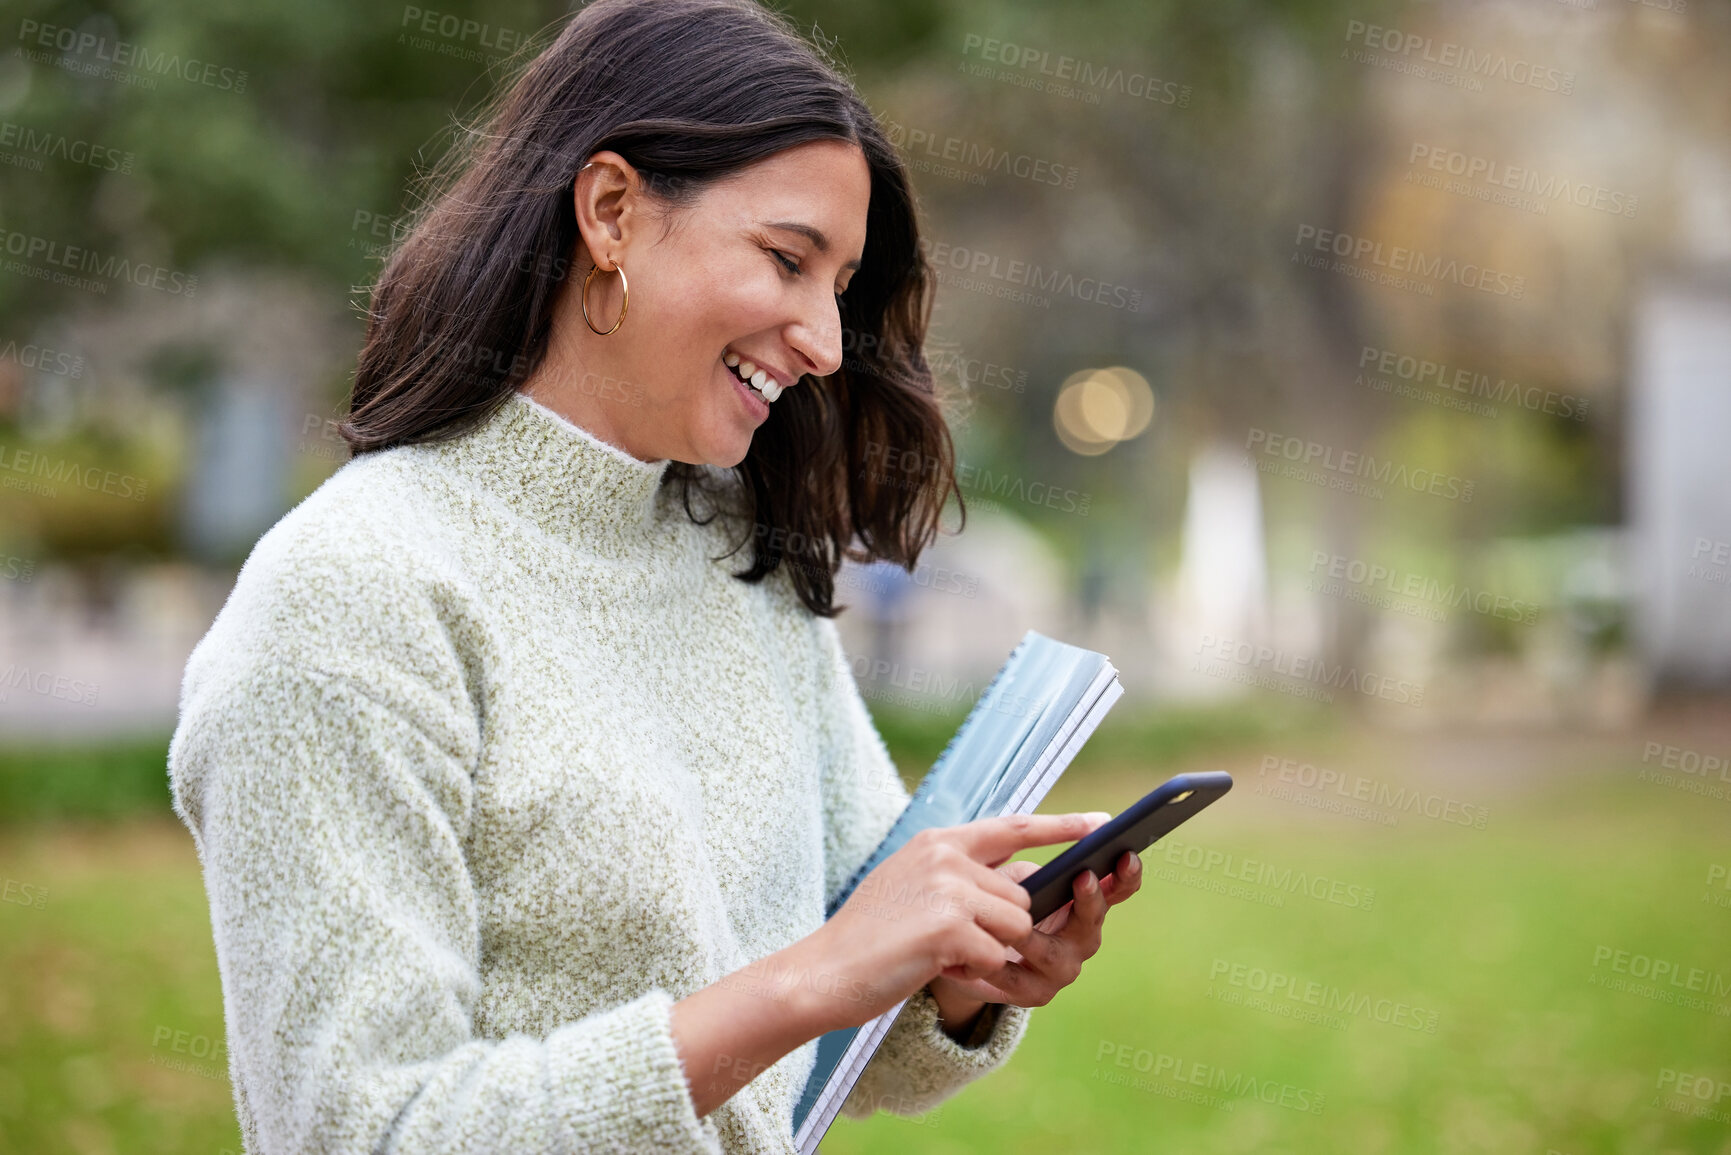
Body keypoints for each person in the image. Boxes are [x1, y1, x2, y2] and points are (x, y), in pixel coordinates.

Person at [167, 1, 1143, 1150]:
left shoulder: (742, 559)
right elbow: (356, 1128)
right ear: (612, 213)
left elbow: (835, 1027)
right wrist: (812, 976)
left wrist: (962, 974)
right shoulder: (354, 595)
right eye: (787, 260)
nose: (828, 342)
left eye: (839, 285)